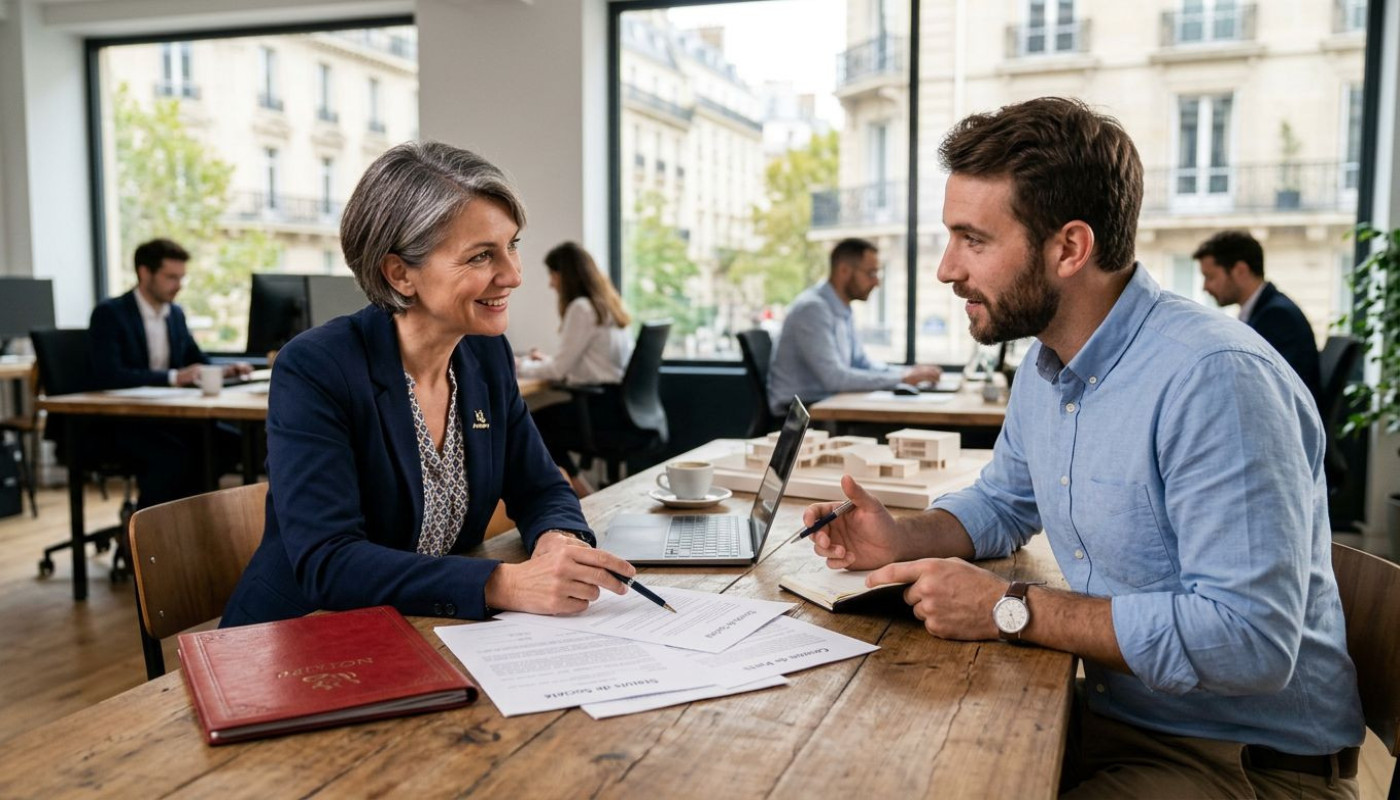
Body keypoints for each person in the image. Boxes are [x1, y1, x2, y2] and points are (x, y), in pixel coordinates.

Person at [804, 98, 1363, 798]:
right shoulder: (1049, 364)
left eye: (973, 240)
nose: (946, 269)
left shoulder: (1215, 380)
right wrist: (903, 536)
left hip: (1241, 764)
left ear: (1069, 248)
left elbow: (1248, 641)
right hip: (1117, 717)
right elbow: (1003, 503)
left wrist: (1011, 608)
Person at [222, 142, 639, 627]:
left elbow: (542, 487)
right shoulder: (317, 367)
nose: (513, 275)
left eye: (513, 246)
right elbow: (328, 562)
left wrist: (558, 541)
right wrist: (502, 584)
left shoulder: (484, 355)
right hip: (301, 638)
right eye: (482, 256)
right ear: (400, 273)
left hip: (424, 628)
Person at [87, 238, 250, 508]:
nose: (178, 285)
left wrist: (225, 370)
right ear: (144, 273)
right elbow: (110, 375)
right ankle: (146, 532)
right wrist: (173, 377)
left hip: (167, 418)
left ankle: (186, 519)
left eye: (182, 278)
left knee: (229, 443)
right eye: (171, 277)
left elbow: (196, 359)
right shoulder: (110, 313)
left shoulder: (175, 314)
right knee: (173, 455)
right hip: (124, 421)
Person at [767, 238, 942, 415]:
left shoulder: (842, 308)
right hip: (798, 414)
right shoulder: (812, 309)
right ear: (844, 270)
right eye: (871, 273)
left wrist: (908, 373)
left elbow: (861, 363)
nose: (877, 282)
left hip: (825, 403)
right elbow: (834, 379)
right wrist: (902, 378)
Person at [517, 241, 634, 496]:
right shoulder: (607, 307)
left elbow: (559, 371)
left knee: (533, 425)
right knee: (540, 423)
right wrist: (545, 361)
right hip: (617, 404)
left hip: (598, 409)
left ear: (564, 275)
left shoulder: (581, 307)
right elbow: (589, 364)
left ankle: (583, 494)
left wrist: (518, 365)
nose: (551, 283)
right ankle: (582, 491)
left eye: (552, 275)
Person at [1195, 229, 1321, 402]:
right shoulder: (1265, 310)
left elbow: (1264, 388)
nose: (1205, 287)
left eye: (1210, 277)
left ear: (1240, 271)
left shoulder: (1277, 317)